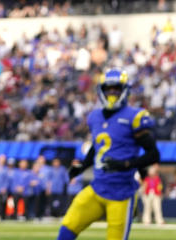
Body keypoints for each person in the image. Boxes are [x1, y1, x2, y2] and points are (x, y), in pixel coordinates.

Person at [57, 68, 160, 240]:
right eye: (108, 89)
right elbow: (97, 147)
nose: (112, 92)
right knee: (67, 229)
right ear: (101, 91)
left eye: (116, 89)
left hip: (121, 194)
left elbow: (154, 154)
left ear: (124, 90)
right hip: (97, 187)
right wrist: (82, 167)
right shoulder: (94, 116)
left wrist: (126, 164)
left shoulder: (134, 117)